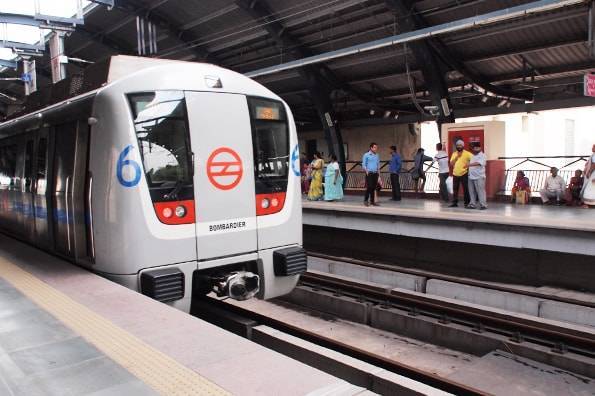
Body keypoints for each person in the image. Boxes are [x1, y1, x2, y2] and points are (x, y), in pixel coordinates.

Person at [449, 140, 473, 207]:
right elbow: (451, 164)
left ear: (463, 146)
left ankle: (466, 203)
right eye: (458, 145)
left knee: (466, 189)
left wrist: (469, 164)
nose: (459, 146)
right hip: (455, 174)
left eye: (460, 145)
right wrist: (457, 157)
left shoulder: (467, 153)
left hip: (464, 173)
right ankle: (454, 203)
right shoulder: (454, 154)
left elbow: (474, 159)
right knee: (455, 189)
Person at [467, 142, 487, 210]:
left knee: (480, 191)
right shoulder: (472, 156)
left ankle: (483, 205)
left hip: (479, 177)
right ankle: (472, 204)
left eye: (476, 148)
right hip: (471, 176)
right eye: (474, 148)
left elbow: (479, 163)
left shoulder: (483, 155)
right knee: (471, 191)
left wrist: (469, 165)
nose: (475, 149)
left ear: (480, 148)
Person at [362, 142, 380, 206]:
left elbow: (378, 165)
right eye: (374, 147)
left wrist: (379, 175)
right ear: (371, 148)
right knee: (369, 187)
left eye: (376, 147)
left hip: (375, 173)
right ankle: (366, 200)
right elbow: (363, 164)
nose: (376, 149)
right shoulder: (366, 155)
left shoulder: (377, 155)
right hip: (369, 173)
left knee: (373, 187)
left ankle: (372, 201)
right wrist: (366, 171)